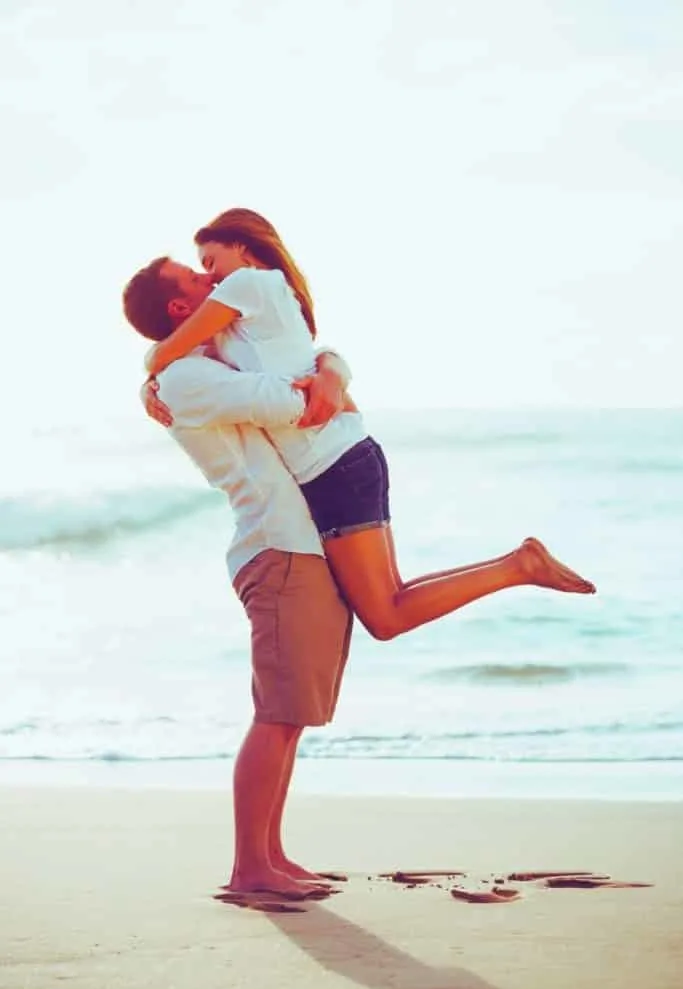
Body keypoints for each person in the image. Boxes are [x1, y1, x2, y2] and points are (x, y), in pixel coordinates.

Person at [140, 209, 597, 642]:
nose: (211, 277)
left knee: (385, 617)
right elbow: (178, 355)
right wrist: (152, 384)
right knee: (391, 597)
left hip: (334, 464)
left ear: (242, 249)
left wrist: (153, 376)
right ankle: (518, 564)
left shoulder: (250, 285)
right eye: (200, 271)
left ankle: (518, 567)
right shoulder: (238, 318)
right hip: (339, 460)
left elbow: (166, 353)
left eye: (210, 262)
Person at [123, 259, 353, 901]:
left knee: (289, 717)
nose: (212, 284)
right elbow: (291, 402)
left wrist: (330, 363)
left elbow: (305, 365)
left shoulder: (198, 361)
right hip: (275, 548)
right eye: (197, 282)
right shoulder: (189, 376)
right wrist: (323, 378)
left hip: (293, 545)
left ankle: (271, 855)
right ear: (178, 310)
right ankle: (250, 867)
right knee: (276, 715)